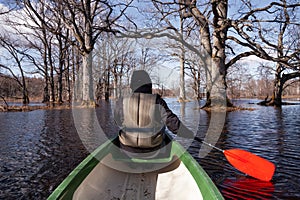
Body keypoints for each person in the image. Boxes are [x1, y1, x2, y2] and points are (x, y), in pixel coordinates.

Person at [114, 70, 194, 153]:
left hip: (127, 147)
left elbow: (117, 121)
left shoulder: (122, 100)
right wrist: (189, 134)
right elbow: (173, 125)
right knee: (162, 130)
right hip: (152, 149)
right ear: (149, 84)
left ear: (132, 85)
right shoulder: (157, 100)